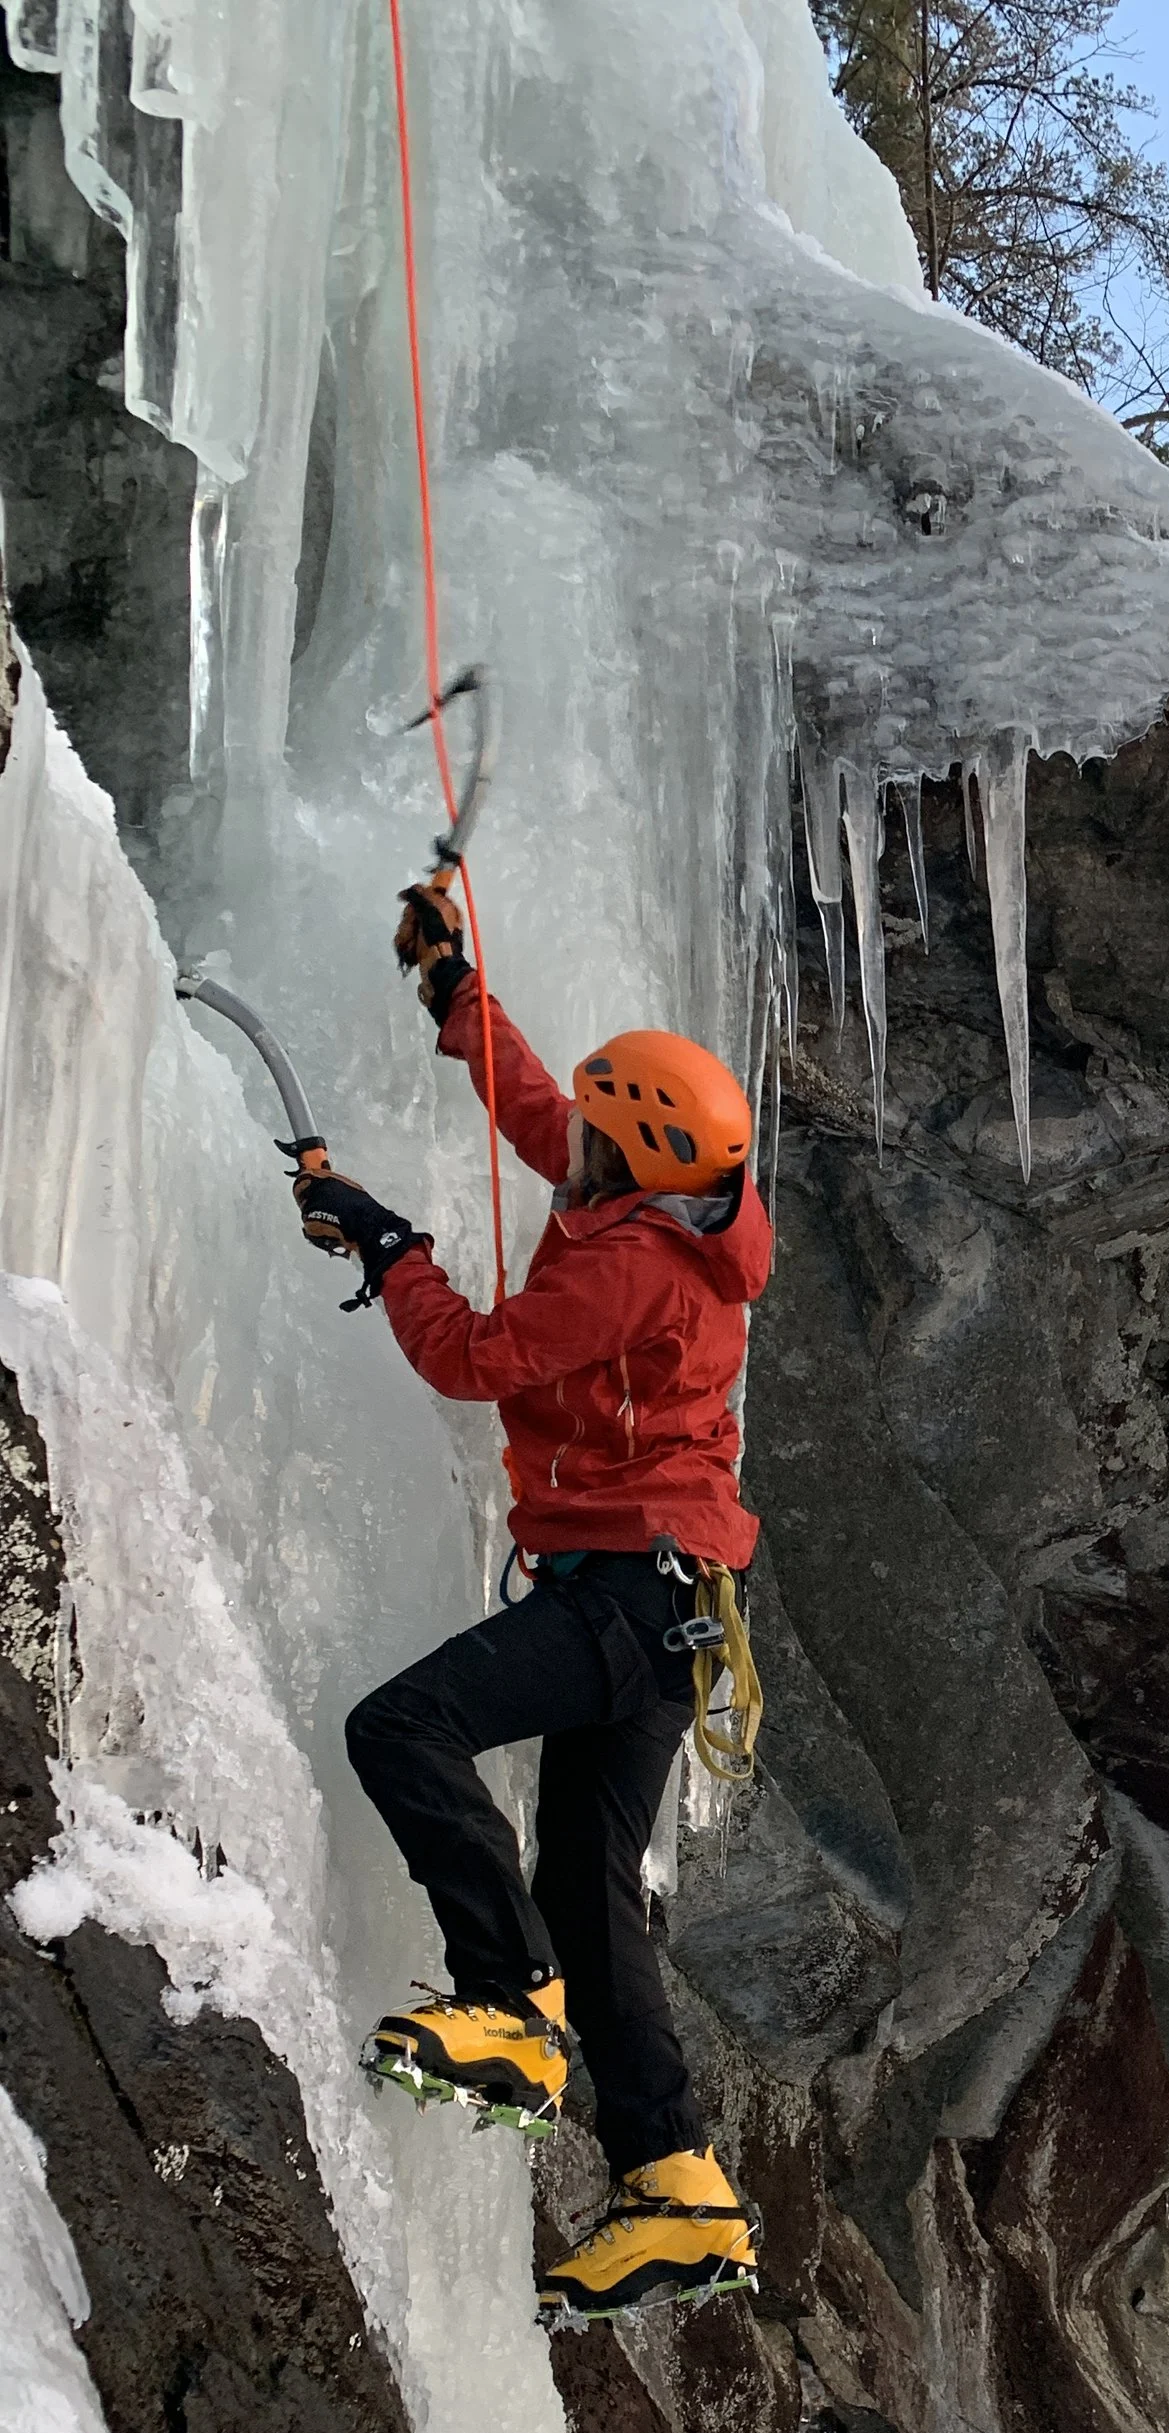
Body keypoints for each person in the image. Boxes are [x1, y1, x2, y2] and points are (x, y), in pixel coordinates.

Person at [292, 875, 773, 2327]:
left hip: (626, 1596)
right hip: (677, 1614)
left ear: (637, 1163)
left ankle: (507, 2004)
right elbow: (542, 1117)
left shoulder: (632, 1265)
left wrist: (389, 1246)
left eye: (599, 1142)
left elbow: (479, 1359)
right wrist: (455, 994)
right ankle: (676, 2182)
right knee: (589, 1880)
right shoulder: (668, 1210)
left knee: (405, 1728)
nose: (577, 1152)